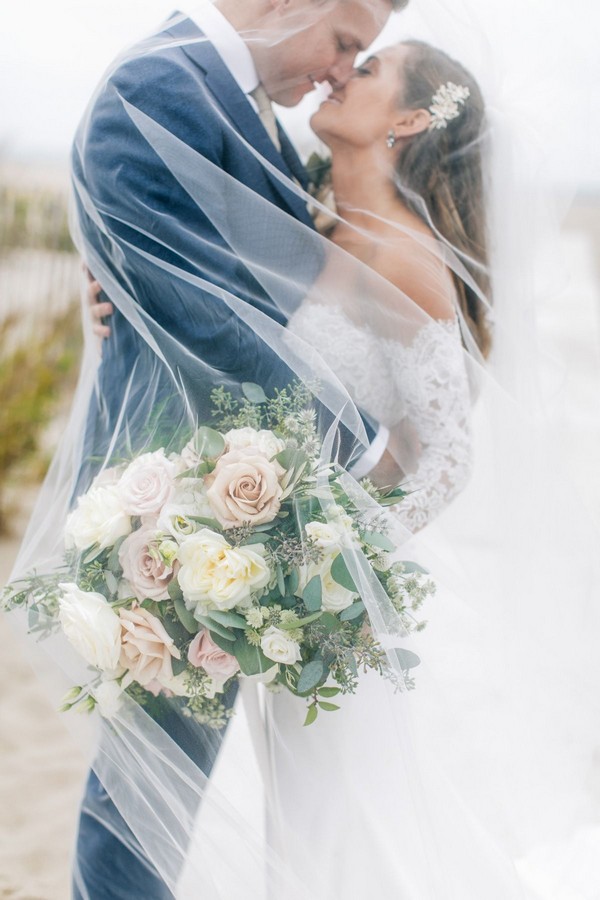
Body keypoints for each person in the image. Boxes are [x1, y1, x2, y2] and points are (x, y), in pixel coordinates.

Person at [70, 1, 403, 897]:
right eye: (344, 42)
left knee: (183, 779)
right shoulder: (158, 85)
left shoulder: (236, 95)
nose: (339, 72)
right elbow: (202, 320)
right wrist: (361, 445)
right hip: (176, 510)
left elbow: (232, 279)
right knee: (146, 790)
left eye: (360, 59)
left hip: (243, 504)